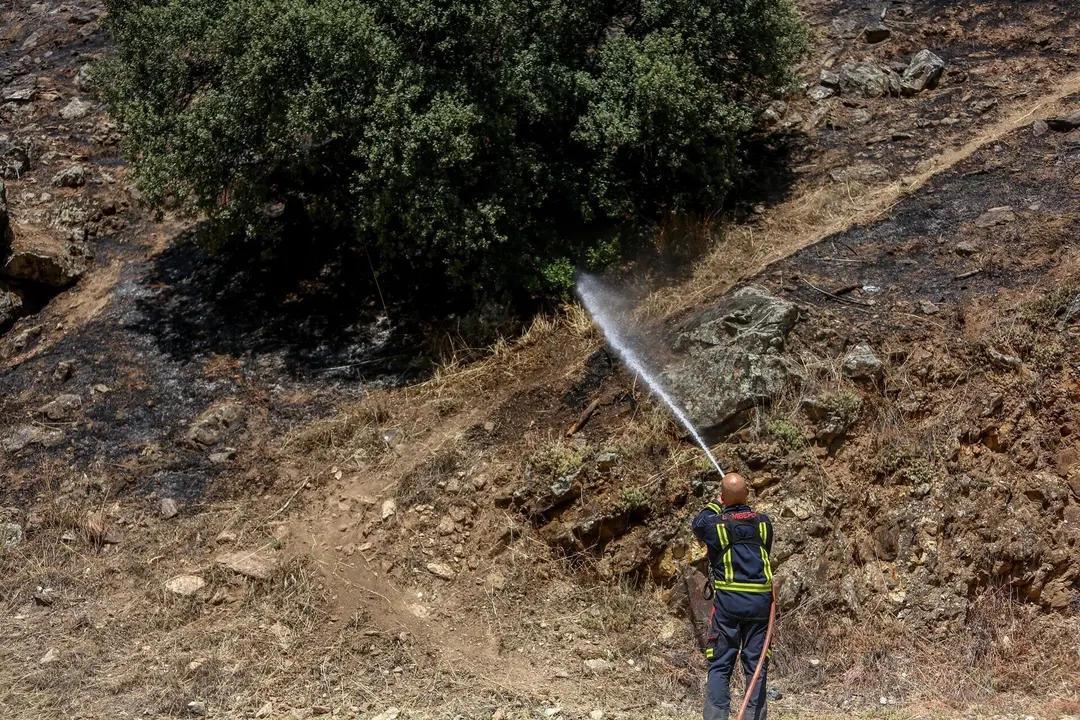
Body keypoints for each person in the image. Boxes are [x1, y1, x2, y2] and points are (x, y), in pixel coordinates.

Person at [692, 472, 776, 720]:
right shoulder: (764, 523)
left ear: (722, 496)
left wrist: (715, 504)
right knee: (757, 666)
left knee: (720, 664)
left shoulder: (715, 525)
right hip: (761, 606)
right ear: (748, 494)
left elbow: (698, 523)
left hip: (729, 603)